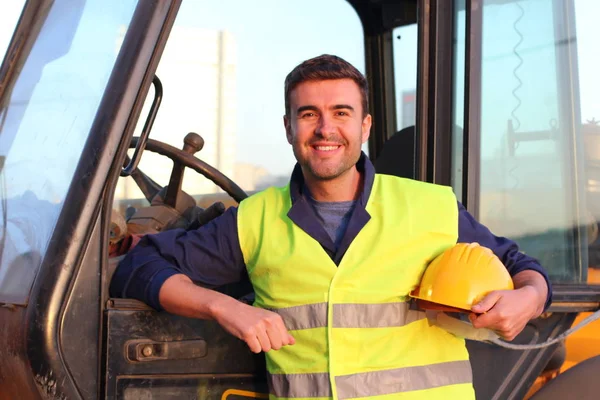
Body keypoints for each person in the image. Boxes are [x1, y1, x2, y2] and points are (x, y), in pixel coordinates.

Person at [110, 54, 551, 399]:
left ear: (364, 126)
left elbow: (523, 269)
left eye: (341, 113)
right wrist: (224, 307)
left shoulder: (431, 207)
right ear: (288, 128)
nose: (325, 129)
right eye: (308, 114)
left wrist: (527, 300)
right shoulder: (254, 220)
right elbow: (141, 266)